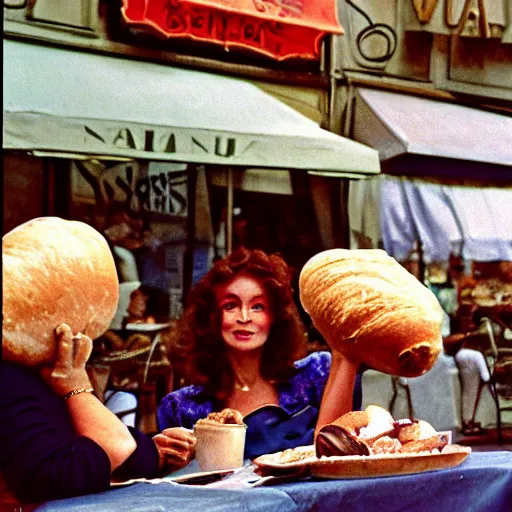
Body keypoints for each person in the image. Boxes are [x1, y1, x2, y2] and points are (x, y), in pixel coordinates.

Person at [158, 247, 361, 459]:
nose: (244, 317)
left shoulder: (316, 376)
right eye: (231, 305)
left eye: (257, 307)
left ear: (275, 317)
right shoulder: (181, 407)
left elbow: (338, 455)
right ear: (211, 317)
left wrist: (344, 353)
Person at [0, 323, 195, 505]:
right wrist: (76, 388)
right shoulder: (11, 375)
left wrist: (156, 453)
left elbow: (124, 451)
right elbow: (54, 474)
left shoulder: (42, 367)